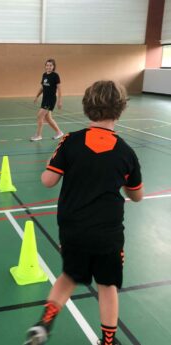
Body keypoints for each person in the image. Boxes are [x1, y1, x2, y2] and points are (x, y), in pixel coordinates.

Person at [24, 80, 144, 345]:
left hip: (73, 230)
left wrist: (52, 162)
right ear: (121, 108)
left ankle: (44, 324)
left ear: (87, 107)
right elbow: (137, 195)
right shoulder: (126, 152)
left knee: (69, 276)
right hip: (107, 234)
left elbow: (47, 180)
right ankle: (109, 341)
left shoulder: (70, 141)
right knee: (107, 285)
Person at [30, 59, 64, 141]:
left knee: (40, 116)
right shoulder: (44, 75)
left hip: (51, 99)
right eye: (47, 65)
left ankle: (38, 135)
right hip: (44, 99)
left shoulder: (55, 76)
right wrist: (37, 96)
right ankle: (59, 132)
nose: (48, 67)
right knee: (48, 118)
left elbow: (59, 89)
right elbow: (42, 87)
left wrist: (59, 101)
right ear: (45, 66)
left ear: (53, 66)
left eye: (50, 65)